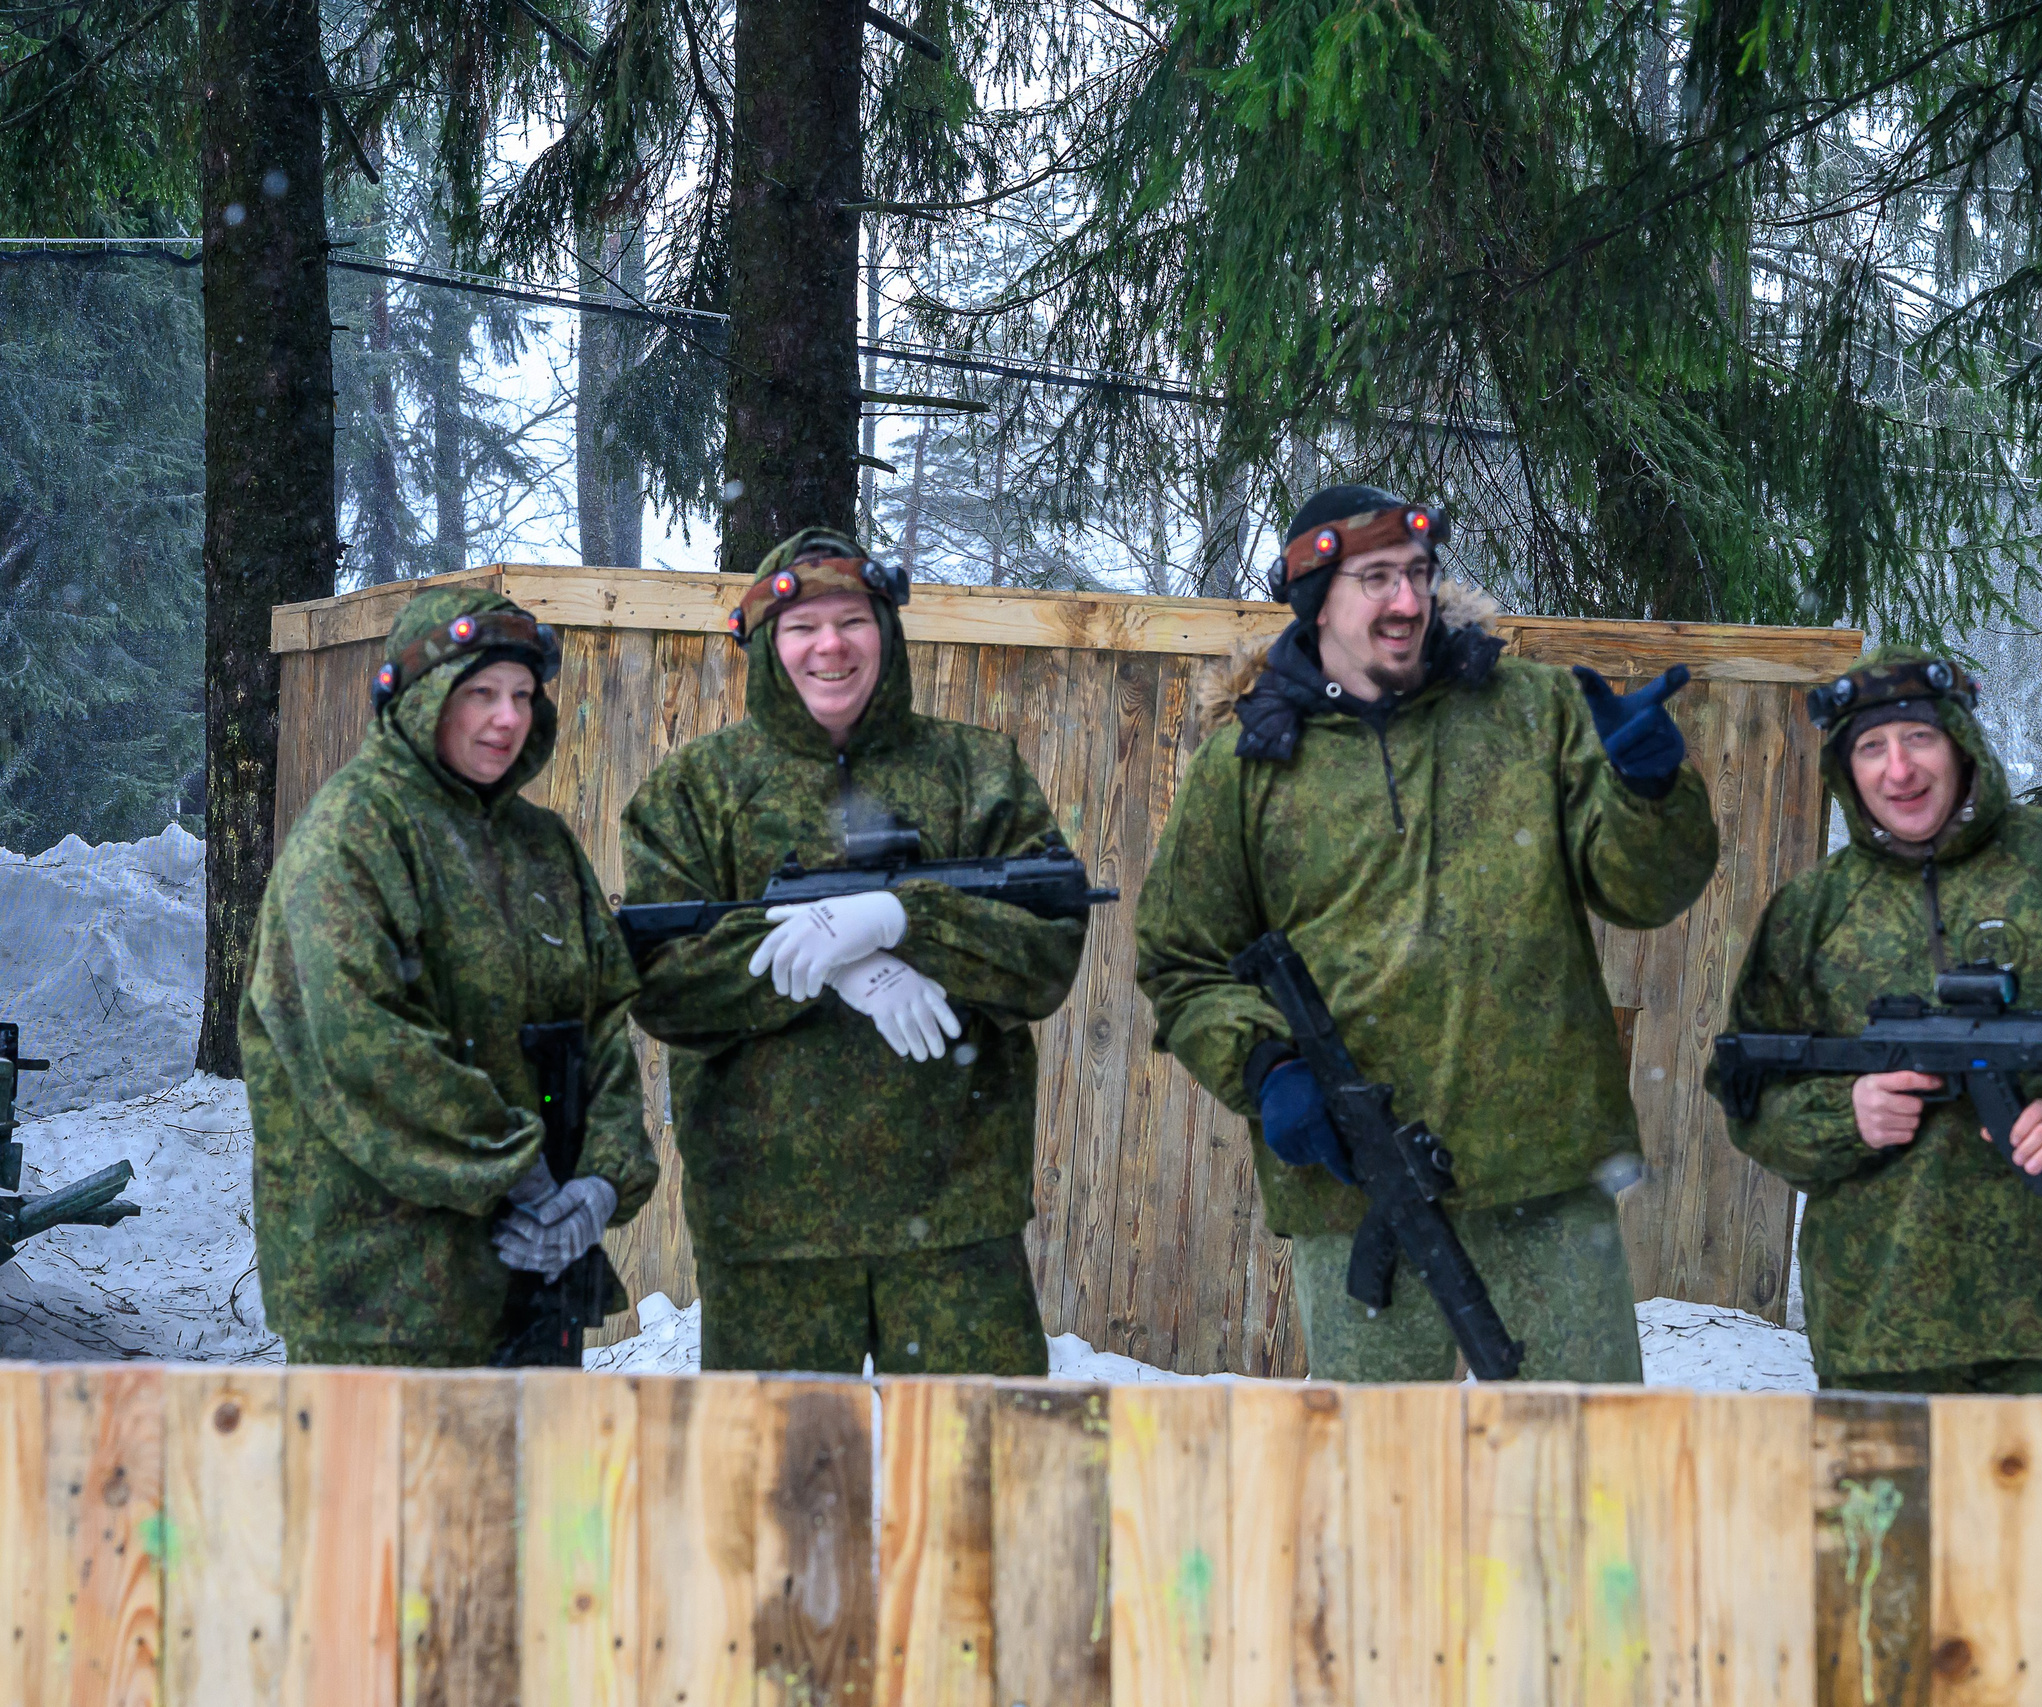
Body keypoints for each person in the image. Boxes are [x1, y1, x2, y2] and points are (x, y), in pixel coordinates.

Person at [1133, 485, 1721, 1381]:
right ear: (1314, 598)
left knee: (1581, 1474)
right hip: (1355, 1185)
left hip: (1548, 1178)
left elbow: (1643, 892)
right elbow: (1180, 959)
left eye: (1416, 573)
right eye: (1375, 579)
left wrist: (1649, 791)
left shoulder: (1533, 712)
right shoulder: (1246, 765)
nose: (1407, 602)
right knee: (1376, 1476)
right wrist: (1267, 1066)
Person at [620, 527, 1087, 1374]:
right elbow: (661, 980)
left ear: (887, 631)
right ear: (765, 644)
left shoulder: (976, 771)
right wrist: (838, 962)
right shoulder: (695, 791)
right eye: (801, 627)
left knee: (981, 1482)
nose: (829, 644)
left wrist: (908, 919)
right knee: (787, 1495)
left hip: (956, 1220)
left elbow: (1047, 950)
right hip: (768, 1231)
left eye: (852, 620)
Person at [1716, 646, 2042, 1396]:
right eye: (1871, 747)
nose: (1899, 770)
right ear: (1845, 771)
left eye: (1918, 738)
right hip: (1878, 1333)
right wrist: (1843, 1114)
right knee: (1888, 1522)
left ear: (1960, 741)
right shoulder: (1812, 911)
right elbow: (1745, 1091)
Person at [243, 588, 659, 1366]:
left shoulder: (545, 848)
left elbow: (603, 1025)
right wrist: (520, 1175)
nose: (507, 717)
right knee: (383, 1492)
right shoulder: (351, 836)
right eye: (480, 693)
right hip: (385, 1299)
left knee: (533, 1491)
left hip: (536, 1282)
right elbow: (362, 1045)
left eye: (523, 695)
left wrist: (599, 1184)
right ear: (422, 696)